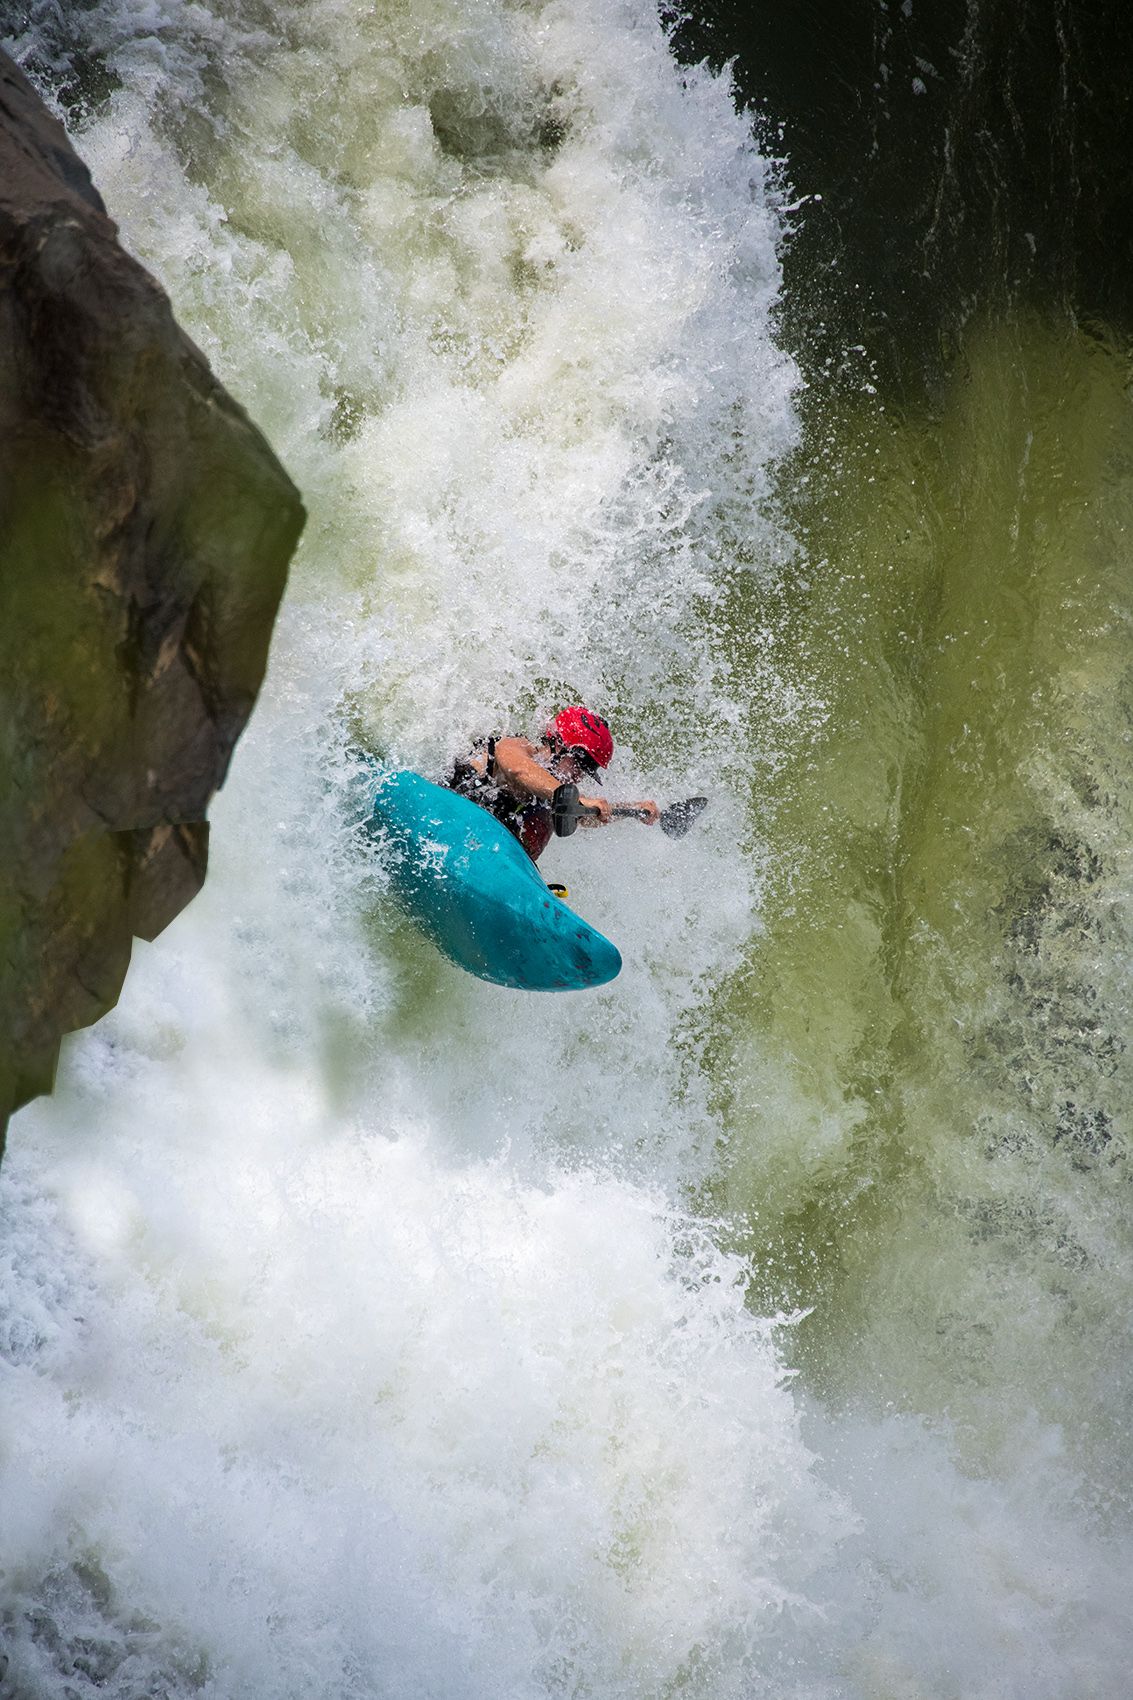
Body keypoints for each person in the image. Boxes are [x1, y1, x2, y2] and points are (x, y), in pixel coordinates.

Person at [446, 705, 660, 862]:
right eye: (581, 761)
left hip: (482, 855)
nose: (580, 773)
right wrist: (578, 798)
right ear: (558, 743)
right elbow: (517, 769)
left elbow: (583, 818)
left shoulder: (553, 791)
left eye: (589, 768)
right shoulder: (518, 746)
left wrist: (633, 810)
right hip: (445, 819)